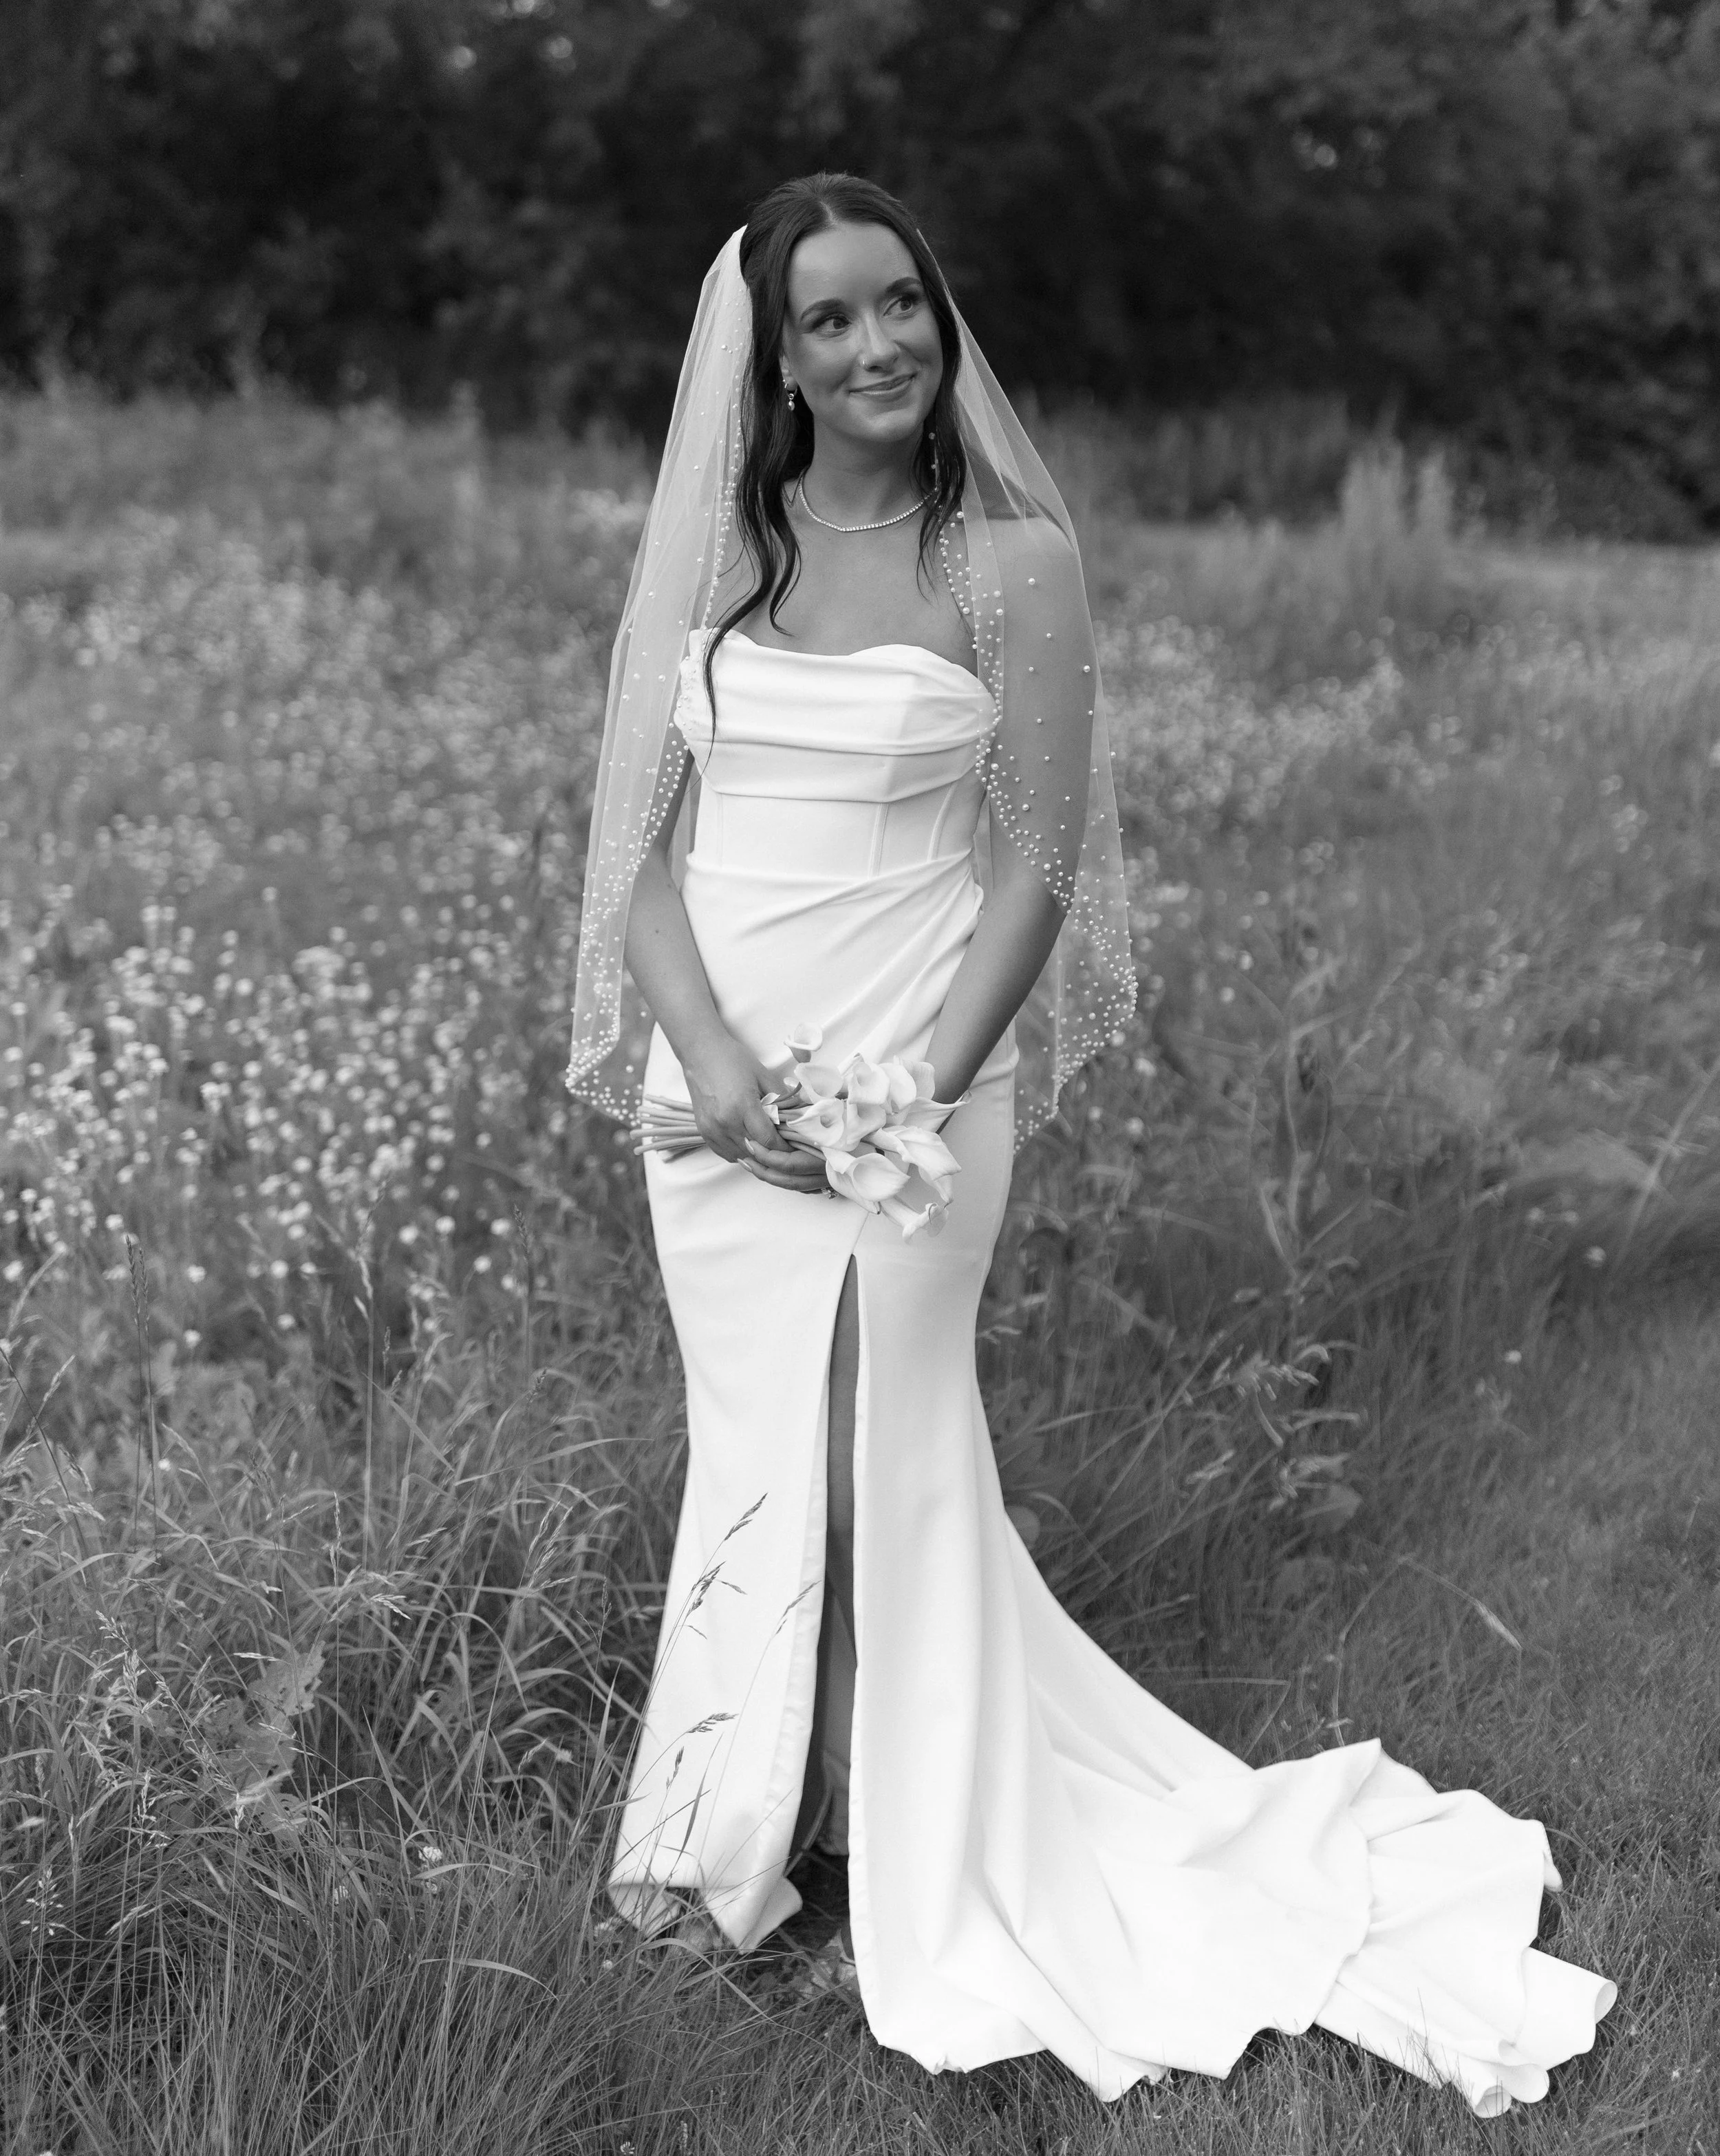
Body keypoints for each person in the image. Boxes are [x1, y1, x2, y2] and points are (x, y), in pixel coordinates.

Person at [566, 173, 1613, 2115]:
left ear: (940, 316)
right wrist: (708, 1058)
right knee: (755, 1457)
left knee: (882, 1464)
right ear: (773, 360)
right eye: (828, 321)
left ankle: (901, 1851)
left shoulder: (1008, 562)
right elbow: (631, 849)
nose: (876, 345)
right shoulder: (715, 551)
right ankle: (743, 1837)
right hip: (708, 1096)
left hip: (911, 1086)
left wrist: (909, 1092)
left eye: (901, 304)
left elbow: (1036, 869)